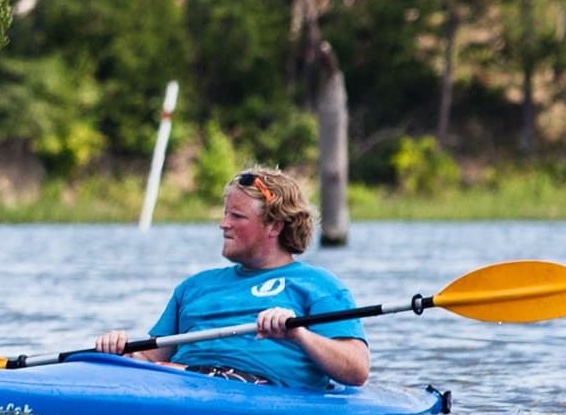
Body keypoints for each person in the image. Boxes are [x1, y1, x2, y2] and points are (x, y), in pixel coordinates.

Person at [92, 167, 369, 391]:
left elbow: (356, 370)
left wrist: (298, 335)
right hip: (180, 380)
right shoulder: (194, 287)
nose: (223, 224)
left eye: (236, 216)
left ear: (274, 226)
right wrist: (119, 350)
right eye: (225, 214)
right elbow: (150, 360)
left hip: (256, 388)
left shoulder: (318, 286)